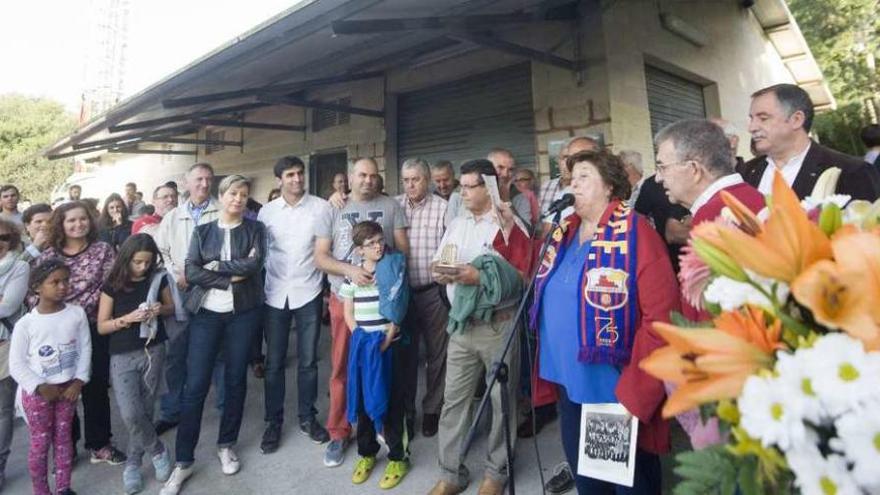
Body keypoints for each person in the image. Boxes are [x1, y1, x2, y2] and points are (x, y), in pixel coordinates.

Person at [530, 150, 679, 494]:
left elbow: (661, 315)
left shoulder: (634, 233)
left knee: (624, 482)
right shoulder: (564, 233)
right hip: (567, 379)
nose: (573, 184)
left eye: (583, 176)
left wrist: (638, 388)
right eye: (571, 177)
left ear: (610, 186)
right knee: (588, 479)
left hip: (610, 386)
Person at [427, 159, 531, 495]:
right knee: (454, 401)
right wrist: (441, 272)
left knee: (503, 403)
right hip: (461, 325)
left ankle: (496, 474)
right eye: (462, 185)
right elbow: (440, 261)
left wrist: (479, 277)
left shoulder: (509, 225)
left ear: (487, 186)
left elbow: (522, 279)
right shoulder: (458, 223)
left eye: (470, 185)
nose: (463, 191)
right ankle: (450, 473)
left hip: (498, 326)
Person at [161, 175, 266, 495]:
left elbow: (255, 264)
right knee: (195, 385)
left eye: (244, 195)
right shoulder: (203, 230)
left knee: (235, 379)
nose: (239, 199)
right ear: (221, 197)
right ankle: (183, 461)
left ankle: (226, 444)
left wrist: (218, 264)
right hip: (206, 314)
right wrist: (225, 276)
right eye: (233, 193)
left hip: (243, 314)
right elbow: (190, 271)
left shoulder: (255, 229)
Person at [315, 157, 409, 467]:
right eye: (362, 175)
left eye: (373, 175)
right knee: (343, 366)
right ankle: (339, 431)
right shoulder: (333, 207)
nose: (368, 180)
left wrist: (392, 284)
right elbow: (320, 257)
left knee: (383, 364)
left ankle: (381, 425)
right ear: (350, 177)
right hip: (347, 300)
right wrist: (351, 271)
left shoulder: (391, 205)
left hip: (382, 303)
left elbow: (402, 250)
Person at [35, 201, 125, 464]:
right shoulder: (48, 256)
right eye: (71, 220)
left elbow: (113, 284)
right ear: (60, 224)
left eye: (82, 219)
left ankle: (99, 444)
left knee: (95, 386)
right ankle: (66, 446)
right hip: (58, 332)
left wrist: (84, 308)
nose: (78, 224)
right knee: (63, 388)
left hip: (95, 327)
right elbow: (35, 293)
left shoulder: (103, 251)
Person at [654, 119, 765, 319]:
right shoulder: (750, 198)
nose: (658, 178)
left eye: (662, 167)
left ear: (694, 170)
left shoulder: (715, 216)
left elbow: (707, 312)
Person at [257, 156, 331, 454]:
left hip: (309, 291)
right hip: (274, 293)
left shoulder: (321, 207)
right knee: (273, 363)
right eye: (290, 175)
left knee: (309, 361)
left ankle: (307, 418)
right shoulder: (267, 212)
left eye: (300, 174)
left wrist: (326, 290)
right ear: (279, 180)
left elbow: (327, 249)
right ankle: (273, 422)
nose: (297, 179)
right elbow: (260, 253)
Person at [97, 234, 174, 494]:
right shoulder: (112, 284)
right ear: (126, 258)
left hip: (154, 348)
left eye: (147, 262)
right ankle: (158, 450)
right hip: (121, 354)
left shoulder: (157, 277)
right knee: (131, 413)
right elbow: (102, 325)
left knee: (146, 408)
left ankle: (132, 464)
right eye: (137, 262)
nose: (142, 267)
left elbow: (171, 307)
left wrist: (157, 310)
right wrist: (127, 318)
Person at [9, 258, 91, 495]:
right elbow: (17, 364)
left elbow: (85, 348)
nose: (63, 286)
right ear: (37, 287)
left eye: (66, 280)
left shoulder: (77, 314)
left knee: (64, 439)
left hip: (68, 390)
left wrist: (78, 380)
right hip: (38, 394)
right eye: (55, 282)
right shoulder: (26, 324)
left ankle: (64, 487)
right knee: (40, 443)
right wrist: (39, 386)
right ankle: (41, 491)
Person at [343, 220, 411, 489]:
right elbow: (348, 311)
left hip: (387, 344)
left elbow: (396, 306)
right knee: (362, 402)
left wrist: (387, 337)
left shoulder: (391, 269)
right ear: (360, 250)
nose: (378, 246)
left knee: (393, 400)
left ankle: (398, 456)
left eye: (380, 240)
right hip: (363, 346)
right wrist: (359, 337)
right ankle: (367, 452)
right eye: (370, 244)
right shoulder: (354, 276)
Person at [154, 162, 221, 436]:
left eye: (208, 179)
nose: (204, 184)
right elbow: (162, 252)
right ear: (186, 182)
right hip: (180, 293)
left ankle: (225, 406)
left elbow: (229, 252)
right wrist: (177, 272)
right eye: (198, 179)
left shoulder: (222, 210)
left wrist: (201, 274)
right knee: (177, 354)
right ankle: (172, 411)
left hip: (214, 292)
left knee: (218, 354)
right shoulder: (172, 216)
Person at [741, 83, 880, 200]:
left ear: (796, 120)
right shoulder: (743, 173)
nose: (751, 127)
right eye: (751, 119)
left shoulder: (851, 171)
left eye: (763, 118)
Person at [396, 158, 448, 438]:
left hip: (432, 293)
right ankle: (407, 411)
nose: (410, 185)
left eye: (415, 179)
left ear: (426, 180)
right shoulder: (394, 205)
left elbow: (452, 247)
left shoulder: (443, 208)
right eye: (405, 180)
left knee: (437, 353)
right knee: (405, 355)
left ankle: (432, 409)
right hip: (402, 295)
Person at [0, 218, 29, 490]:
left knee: (2, 411)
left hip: (4, 346)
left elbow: (7, 307)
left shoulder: (19, 267)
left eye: (4, 237)